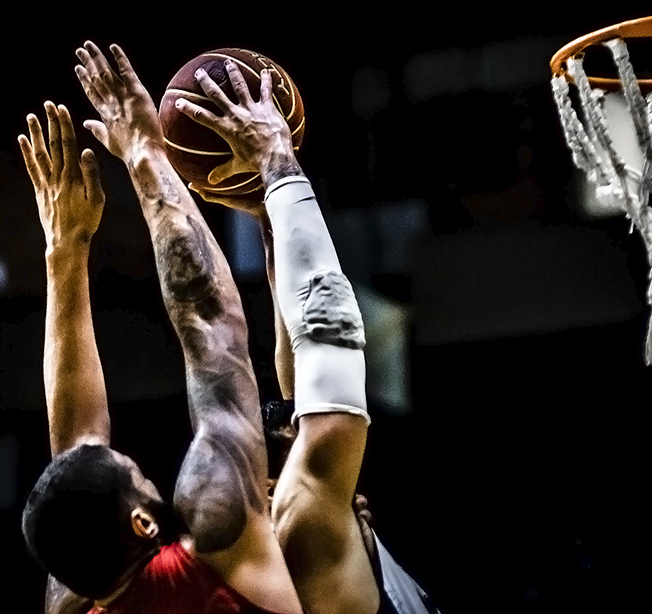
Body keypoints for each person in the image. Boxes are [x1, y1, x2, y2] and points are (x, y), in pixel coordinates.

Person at [20, 42, 304, 614]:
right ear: (143, 520)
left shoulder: (76, 595)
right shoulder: (217, 543)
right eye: (135, 471)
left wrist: (65, 253)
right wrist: (145, 152)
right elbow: (210, 324)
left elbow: (75, 454)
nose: (137, 462)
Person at [177, 55, 441, 614]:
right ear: (269, 491)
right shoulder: (306, 526)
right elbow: (326, 332)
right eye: (294, 434)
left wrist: (270, 227)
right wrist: (277, 162)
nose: (301, 418)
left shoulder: (298, 521)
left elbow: (299, 362)